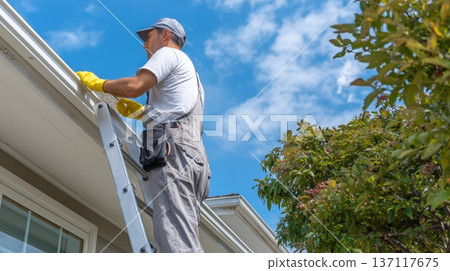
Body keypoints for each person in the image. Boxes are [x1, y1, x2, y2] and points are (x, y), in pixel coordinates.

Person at [76, 18, 210, 253]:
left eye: (148, 37)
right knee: (184, 234)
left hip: (175, 153)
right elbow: (177, 113)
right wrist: (142, 113)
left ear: (165, 36)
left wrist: (101, 84)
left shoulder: (169, 54)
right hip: (195, 159)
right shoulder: (193, 78)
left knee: (176, 242)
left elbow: (135, 86)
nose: (144, 45)